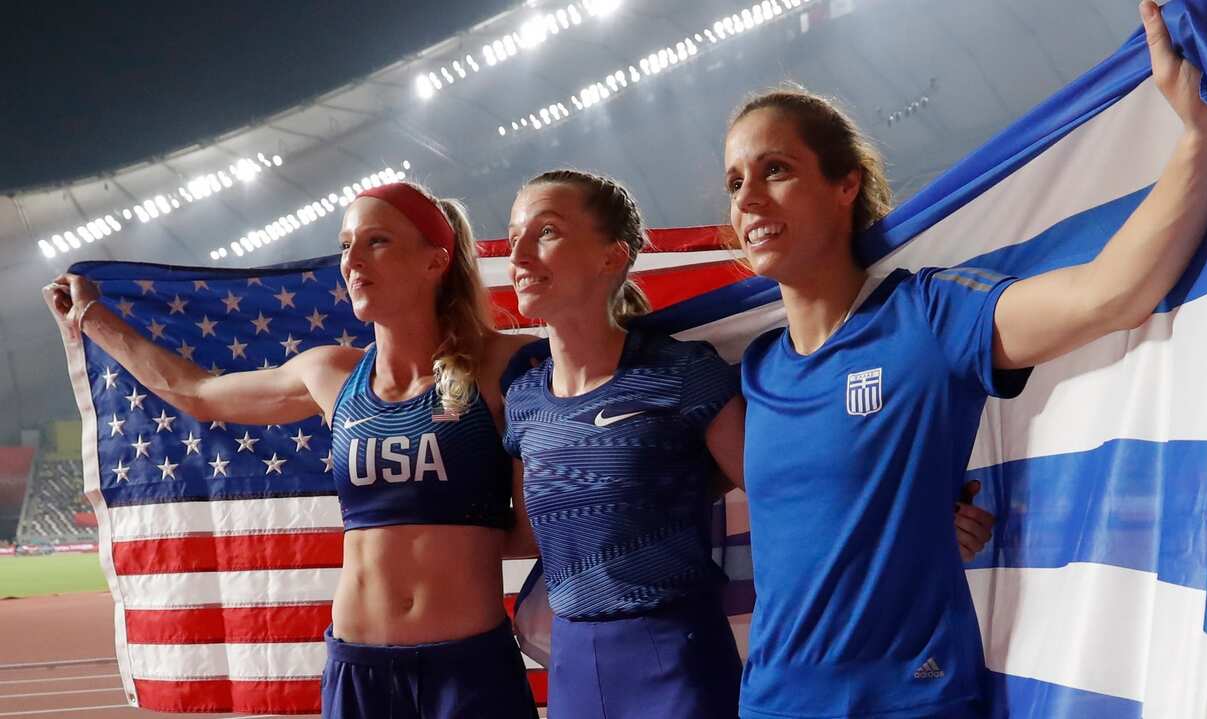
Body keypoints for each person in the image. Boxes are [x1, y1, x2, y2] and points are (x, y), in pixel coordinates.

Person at [722, 4, 1207, 718]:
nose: (749, 198)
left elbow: (1110, 293)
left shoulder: (925, 318)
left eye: (775, 169)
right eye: (735, 181)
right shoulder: (754, 369)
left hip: (913, 701)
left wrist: (1203, 135)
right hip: (776, 703)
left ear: (844, 187)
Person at [501, 169, 997, 718]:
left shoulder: (683, 376)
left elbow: (795, 494)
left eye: (545, 232)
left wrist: (920, 527)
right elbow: (525, 536)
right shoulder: (523, 398)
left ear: (612, 257)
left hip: (673, 663)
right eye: (514, 233)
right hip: (571, 667)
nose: (518, 253)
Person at [44, 182, 539, 719]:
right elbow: (197, 393)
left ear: (435, 260)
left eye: (377, 242)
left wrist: (455, 544)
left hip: (466, 669)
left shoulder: (507, 366)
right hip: (359, 671)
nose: (351, 260)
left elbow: (535, 527)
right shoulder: (330, 374)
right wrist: (92, 319)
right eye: (346, 245)